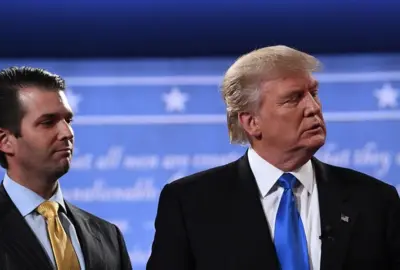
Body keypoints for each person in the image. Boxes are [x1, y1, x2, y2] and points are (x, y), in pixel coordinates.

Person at [146, 45, 400, 270]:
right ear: (252, 122)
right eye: (294, 98)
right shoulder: (190, 204)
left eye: (314, 93)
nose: (313, 107)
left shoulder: (376, 201)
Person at [0, 66, 132, 270]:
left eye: (68, 120)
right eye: (48, 122)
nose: (67, 132)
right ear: (4, 140)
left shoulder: (109, 236)